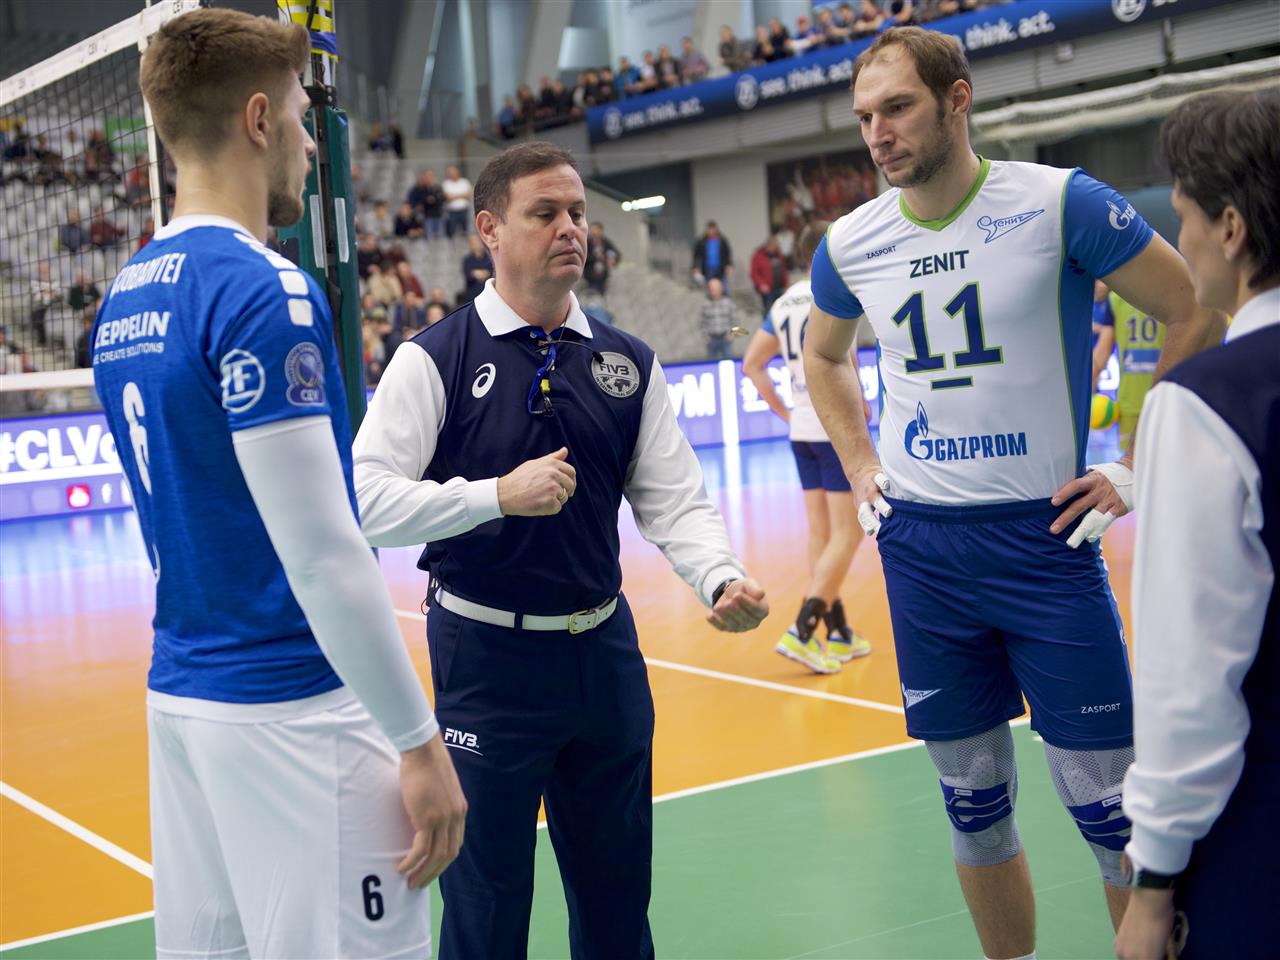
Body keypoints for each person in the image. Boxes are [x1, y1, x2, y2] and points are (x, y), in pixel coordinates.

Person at [802, 27, 1224, 960]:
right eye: (864, 117)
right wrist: (861, 463)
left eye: (898, 107)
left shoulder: (1058, 201)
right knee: (974, 806)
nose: (877, 133)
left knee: (1111, 813)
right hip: (924, 554)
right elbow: (821, 356)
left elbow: (1195, 304)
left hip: (1046, 543)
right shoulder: (851, 241)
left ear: (957, 100)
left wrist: (1137, 463)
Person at [90, 10, 465, 958]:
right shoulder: (263, 290)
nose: (308, 139)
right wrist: (419, 742)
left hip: (183, 700)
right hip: (295, 712)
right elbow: (325, 554)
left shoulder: (125, 298)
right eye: (299, 116)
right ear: (259, 120)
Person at [352, 140, 768, 959]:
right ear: (489, 230)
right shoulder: (432, 360)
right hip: (486, 666)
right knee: (486, 912)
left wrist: (719, 575)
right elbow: (365, 504)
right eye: (545, 213)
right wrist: (494, 496)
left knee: (618, 904)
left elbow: (673, 497)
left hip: (604, 659)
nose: (571, 227)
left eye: (577, 212)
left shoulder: (627, 362)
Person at [1115, 87, 1279, 960]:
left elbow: (1189, 672)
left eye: (1181, 218)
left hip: (1258, 828)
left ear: (1231, 229)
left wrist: (1153, 881)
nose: (1177, 242)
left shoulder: (1206, 402)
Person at [743, 222, 872, 675]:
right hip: (832, 427)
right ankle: (802, 630)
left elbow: (752, 364)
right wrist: (860, 405)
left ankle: (838, 632)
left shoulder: (782, 302)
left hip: (802, 429)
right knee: (849, 534)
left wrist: (785, 411)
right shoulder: (830, 292)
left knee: (821, 536)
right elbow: (841, 358)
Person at [1095, 289, 1165, 451]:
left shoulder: (1178, 290)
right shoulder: (1114, 299)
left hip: (1164, 402)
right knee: (1133, 465)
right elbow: (1101, 354)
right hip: (1131, 405)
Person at [750, 231, 789, 314]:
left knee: (780, 309)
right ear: (769, 245)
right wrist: (761, 284)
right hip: (767, 290)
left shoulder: (779, 255)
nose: (776, 248)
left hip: (779, 288)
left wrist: (786, 284)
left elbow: (784, 270)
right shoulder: (758, 256)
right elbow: (754, 273)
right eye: (775, 246)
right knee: (768, 310)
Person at [692, 220, 732, 286]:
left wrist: (728, 265)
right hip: (708, 268)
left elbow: (727, 253)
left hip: (720, 268)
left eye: (712, 229)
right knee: (710, 286)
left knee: (723, 286)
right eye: (709, 229)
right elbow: (697, 256)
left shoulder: (722, 241)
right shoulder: (701, 242)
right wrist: (695, 267)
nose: (711, 231)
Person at [585, 220, 620, 296]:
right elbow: (584, 257)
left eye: (597, 229)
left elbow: (616, 253)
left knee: (601, 294)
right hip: (590, 275)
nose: (595, 232)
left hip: (603, 275)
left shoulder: (605, 242)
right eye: (593, 229)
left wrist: (612, 259)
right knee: (592, 294)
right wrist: (596, 257)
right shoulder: (587, 242)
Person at [460, 232, 493, 303]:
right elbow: (468, 275)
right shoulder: (467, 260)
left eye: (475, 241)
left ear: (481, 242)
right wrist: (481, 274)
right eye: (471, 242)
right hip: (472, 296)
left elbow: (490, 273)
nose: (474, 244)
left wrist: (476, 273)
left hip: (487, 295)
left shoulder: (489, 258)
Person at [442, 164, 472, 238]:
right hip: (452, 211)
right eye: (450, 172)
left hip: (464, 210)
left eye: (453, 171)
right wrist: (462, 195)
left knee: (466, 230)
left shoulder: (464, 182)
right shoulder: (446, 184)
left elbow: (468, 195)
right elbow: (448, 198)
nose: (452, 174)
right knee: (452, 231)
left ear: (458, 172)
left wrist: (454, 196)